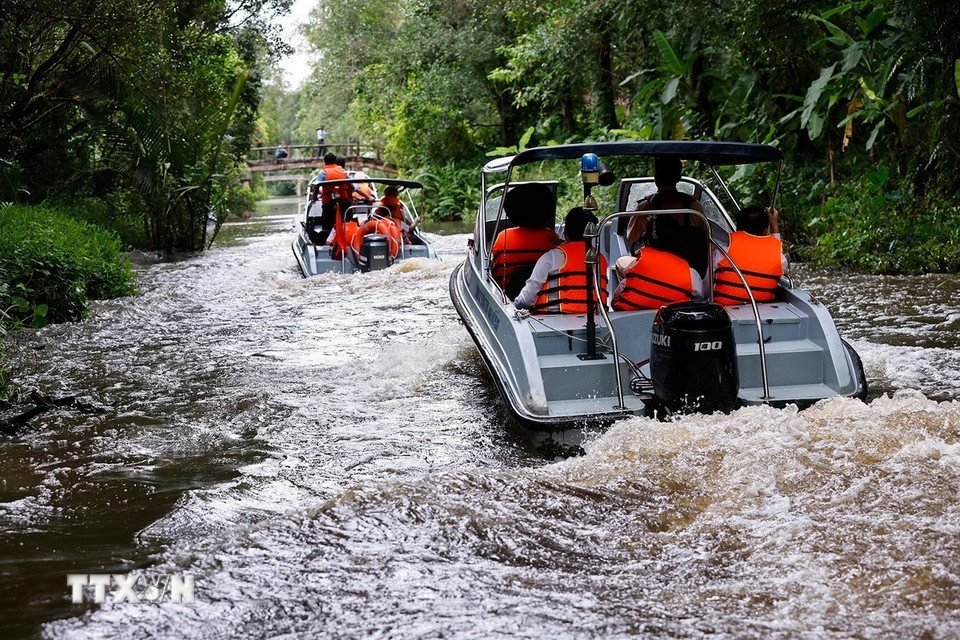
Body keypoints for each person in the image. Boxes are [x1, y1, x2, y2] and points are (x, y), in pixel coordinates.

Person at [617, 156, 708, 276]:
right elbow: (706, 237)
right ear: (679, 178)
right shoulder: (694, 206)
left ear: (656, 179)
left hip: (655, 268)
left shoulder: (644, 207)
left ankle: (633, 290)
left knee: (620, 262)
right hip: (687, 269)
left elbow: (632, 237)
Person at [512, 207, 608, 314]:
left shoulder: (551, 257)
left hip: (552, 323)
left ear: (566, 231)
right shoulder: (601, 259)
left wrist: (513, 307)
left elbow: (527, 299)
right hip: (597, 322)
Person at [612, 216, 704, 311]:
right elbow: (699, 297)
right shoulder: (692, 275)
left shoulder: (634, 269)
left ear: (647, 240)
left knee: (621, 262)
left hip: (633, 319)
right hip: (671, 320)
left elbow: (615, 302)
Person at [490, 182, 563, 299]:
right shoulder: (552, 239)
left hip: (508, 298)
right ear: (547, 211)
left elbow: (495, 269)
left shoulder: (503, 237)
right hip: (543, 300)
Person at [713, 205, 787, 306]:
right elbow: (777, 251)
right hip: (763, 311)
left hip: (725, 310)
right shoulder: (779, 257)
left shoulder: (724, 249)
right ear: (765, 231)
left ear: (737, 229)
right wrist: (774, 225)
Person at [312, 152, 354, 242]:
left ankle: (325, 243)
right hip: (344, 202)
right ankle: (348, 240)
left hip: (329, 204)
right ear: (335, 161)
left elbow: (316, 187)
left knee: (327, 225)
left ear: (325, 162)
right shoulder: (343, 171)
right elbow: (352, 186)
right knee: (346, 221)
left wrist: (314, 197)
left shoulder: (322, 173)